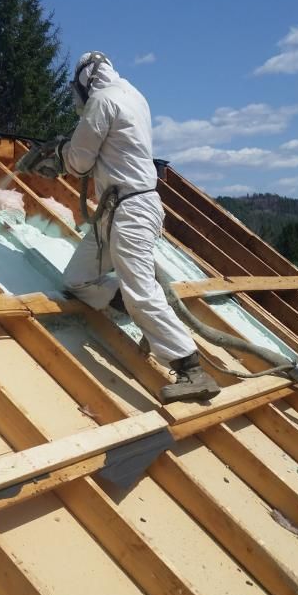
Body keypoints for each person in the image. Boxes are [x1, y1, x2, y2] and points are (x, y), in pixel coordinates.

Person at [29, 51, 219, 404]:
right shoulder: (132, 95)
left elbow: (80, 161)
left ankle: (191, 369)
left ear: (86, 81)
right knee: (77, 280)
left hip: (130, 210)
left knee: (142, 288)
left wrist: (58, 155)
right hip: (115, 210)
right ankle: (135, 311)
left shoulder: (102, 100)